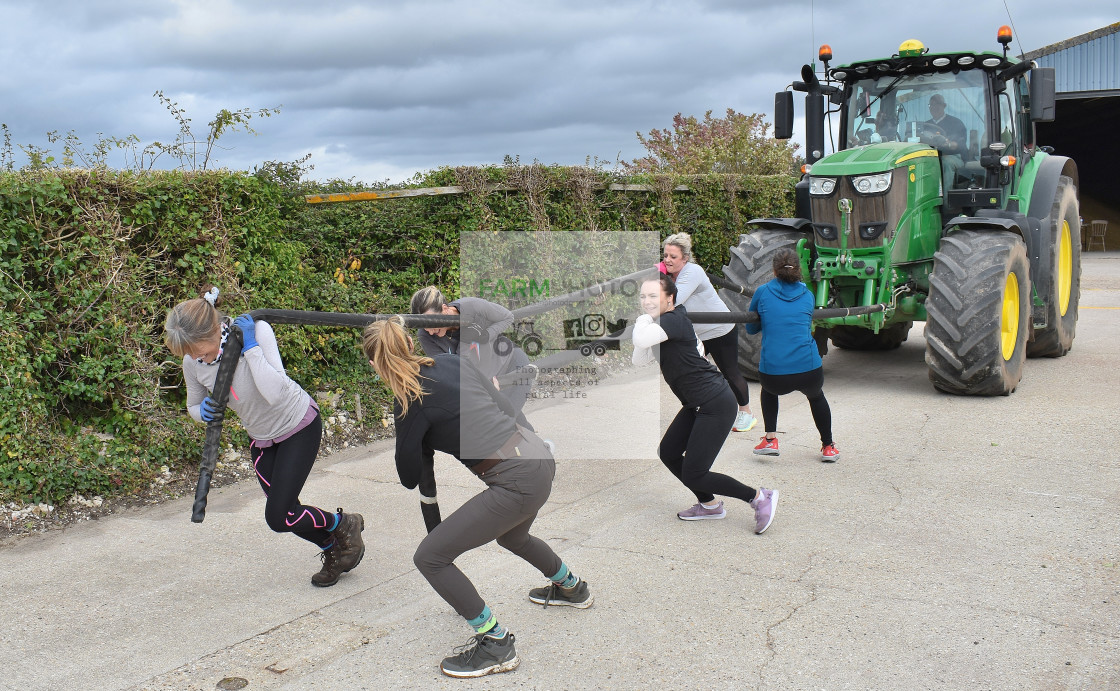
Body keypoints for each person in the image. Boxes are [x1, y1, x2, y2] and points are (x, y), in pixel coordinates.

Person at [362, 317, 592, 679]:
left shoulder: (409, 399)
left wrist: (417, 437)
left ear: (375, 364)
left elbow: (408, 477)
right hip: (539, 457)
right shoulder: (453, 362)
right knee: (513, 535)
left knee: (431, 557)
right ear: (409, 344)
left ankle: (496, 642)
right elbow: (504, 404)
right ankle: (572, 587)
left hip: (515, 480)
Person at [164, 289, 365, 587]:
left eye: (198, 349)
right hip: (261, 438)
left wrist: (251, 347)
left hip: (298, 424)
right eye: (188, 354)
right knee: (286, 514)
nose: (194, 357)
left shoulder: (256, 331)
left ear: (214, 328)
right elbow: (193, 405)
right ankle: (335, 544)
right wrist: (201, 412)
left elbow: (274, 392)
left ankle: (343, 525)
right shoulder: (193, 363)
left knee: (278, 515)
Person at [632, 274, 778, 534]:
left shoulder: (672, 319)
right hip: (695, 403)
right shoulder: (660, 324)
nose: (647, 301)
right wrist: (646, 322)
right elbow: (639, 358)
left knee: (695, 472)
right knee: (669, 453)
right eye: (643, 296)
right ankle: (709, 505)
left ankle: (759, 497)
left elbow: (641, 341)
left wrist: (642, 320)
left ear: (670, 299)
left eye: (653, 296)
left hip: (715, 402)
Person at [745, 249, 840, 462]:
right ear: (798, 269)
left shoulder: (763, 291)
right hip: (810, 370)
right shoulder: (808, 295)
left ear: (774, 269)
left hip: (774, 375)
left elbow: (751, 329)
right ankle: (828, 447)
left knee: (768, 391)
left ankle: (770, 439)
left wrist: (767, 319)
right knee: (816, 396)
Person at [660, 233, 758, 433]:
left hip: (720, 330)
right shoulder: (670, 275)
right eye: (665, 256)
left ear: (685, 258)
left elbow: (674, 301)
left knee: (730, 373)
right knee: (692, 374)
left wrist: (658, 280)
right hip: (697, 335)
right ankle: (702, 408)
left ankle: (746, 413)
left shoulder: (692, 271)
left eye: (673, 256)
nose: (667, 260)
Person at [410, 287, 534, 427]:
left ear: (444, 308)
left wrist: (485, 335)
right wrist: (465, 342)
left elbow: (507, 317)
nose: (430, 331)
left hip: (511, 364)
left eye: (431, 323)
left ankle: (538, 446)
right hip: (486, 380)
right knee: (507, 420)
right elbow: (451, 369)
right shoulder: (425, 336)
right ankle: (540, 447)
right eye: (424, 326)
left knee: (505, 420)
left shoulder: (472, 306)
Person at [923, 93, 968, 194]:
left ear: (944, 106)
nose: (934, 107)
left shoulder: (956, 123)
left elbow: (960, 145)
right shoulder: (925, 125)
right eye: (931, 105)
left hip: (954, 156)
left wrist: (947, 143)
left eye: (937, 104)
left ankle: (947, 204)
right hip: (931, 156)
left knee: (945, 163)